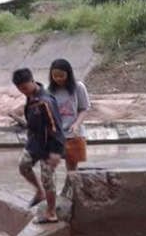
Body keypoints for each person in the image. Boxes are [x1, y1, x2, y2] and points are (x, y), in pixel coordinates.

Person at [13, 68, 65, 223]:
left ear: (32, 81)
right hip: (35, 142)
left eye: (25, 87)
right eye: (20, 89)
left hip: (50, 145)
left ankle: (51, 212)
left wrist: (57, 152)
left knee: (47, 177)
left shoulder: (46, 101)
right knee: (23, 165)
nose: (23, 91)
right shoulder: (31, 97)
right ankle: (39, 192)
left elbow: (56, 128)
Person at [47, 59, 91, 190]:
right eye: (55, 76)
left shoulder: (78, 87)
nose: (58, 79)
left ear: (68, 74)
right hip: (55, 135)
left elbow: (84, 108)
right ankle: (51, 197)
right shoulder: (48, 90)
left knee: (72, 168)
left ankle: (71, 193)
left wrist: (77, 124)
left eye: (62, 75)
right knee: (49, 167)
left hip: (73, 133)